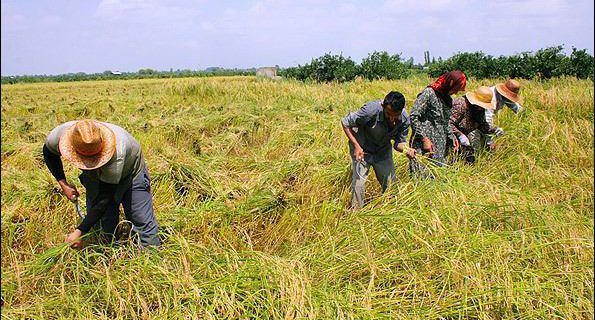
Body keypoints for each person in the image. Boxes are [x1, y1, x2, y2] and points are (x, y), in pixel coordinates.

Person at [43, 119, 160, 248]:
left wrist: (80, 231)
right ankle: (108, 253)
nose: (89, 162)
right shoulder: (60, 136)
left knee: (142, 221)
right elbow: (49, 153)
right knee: (102, 225)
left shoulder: (118, 152)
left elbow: (105, 197)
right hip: (95, 177)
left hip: (131, 173)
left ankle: (150, 255)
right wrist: (63, 184)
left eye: (93, 159)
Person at [341, 91, 415, 209]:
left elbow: (398, 143)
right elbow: (345, 123)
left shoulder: (405, 120)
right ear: (383, 107)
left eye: (395, 115)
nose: (391, 118)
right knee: (359, 184)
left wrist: (406, 150)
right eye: (388, 114)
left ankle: (392, 210)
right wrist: (356, 146)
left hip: (382, 151)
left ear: (401, 110)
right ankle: (355, 214)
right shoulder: (370, 110)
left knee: (391, 185)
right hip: (362, 150)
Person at [409, 70, 467, 179]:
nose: (454, 92)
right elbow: (413, 116)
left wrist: (452, 137)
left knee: (437, 178)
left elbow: (446, 122)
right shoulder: (429, 93)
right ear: (449, 83)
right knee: (421, 179)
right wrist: (424, 138)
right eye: (455, 89)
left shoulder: (448, 100)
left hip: (440, 147)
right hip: (424, 147)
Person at [469, 79, 523, 150]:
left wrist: (525, 116)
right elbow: (487, 120)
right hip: (473, 122)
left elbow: (515, 107)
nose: (509, 98)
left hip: (483, 122)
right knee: (475, 148)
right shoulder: (491, 98)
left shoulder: (505, 96)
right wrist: (490, 141)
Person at [449, 86, 497, 164]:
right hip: (451, 135)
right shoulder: (461, 104)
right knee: (454, 159)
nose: (481, 108)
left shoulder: (480, 108)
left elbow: (482, 124)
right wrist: (460, 135)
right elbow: (449, 123)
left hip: (465, 135)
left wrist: (493, 131)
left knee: (470, 159)